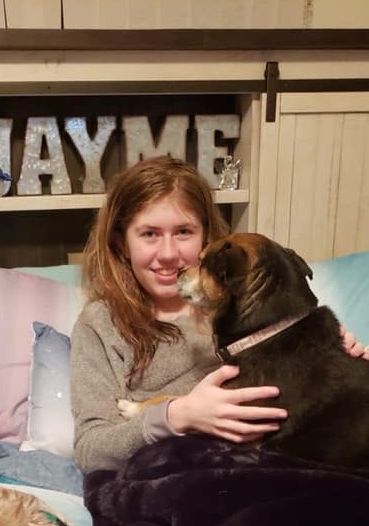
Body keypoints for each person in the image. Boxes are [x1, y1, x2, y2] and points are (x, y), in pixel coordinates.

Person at [70, 156, 367, 475]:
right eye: (149, 234)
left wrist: (335, 360)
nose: (169, 253)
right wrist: (177, 416)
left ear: (206, 236)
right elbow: (91, 452)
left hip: (284, 468)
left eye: (184, 231)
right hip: (174, 477)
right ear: (121, 243)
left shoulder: (255, 314)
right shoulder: (101, 324)